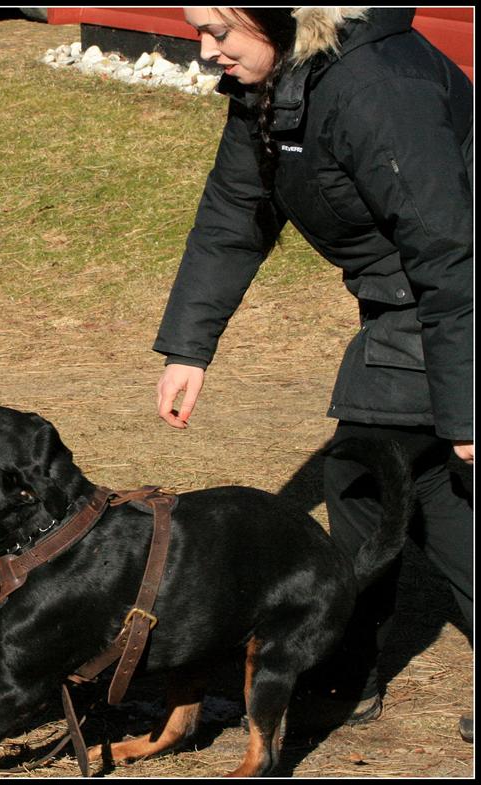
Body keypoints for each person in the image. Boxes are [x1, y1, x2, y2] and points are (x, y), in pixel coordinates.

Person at [152, 8, 473, 740]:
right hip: (407, 306)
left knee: (422, 483)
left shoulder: (377, 86)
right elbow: (237, 208)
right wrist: (189, 348)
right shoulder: (277, 80)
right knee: (373, 479)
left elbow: (452, 254)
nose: (207, 51)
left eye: (219, 32)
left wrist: (466, 408)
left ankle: (334, 667)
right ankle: (337, 669)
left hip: (456, 300)